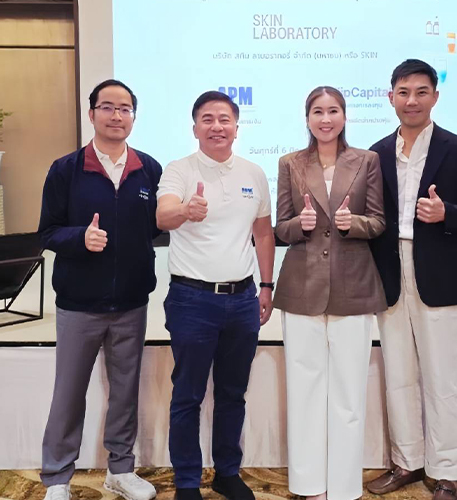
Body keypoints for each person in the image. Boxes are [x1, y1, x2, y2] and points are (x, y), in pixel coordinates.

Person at [367, 59, 457, 500]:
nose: (411, 100)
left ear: (435, 96)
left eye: (421, 92)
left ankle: (446, 471)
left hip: (436, 270)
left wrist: (445, 213)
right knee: (398, 373)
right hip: (389, 271)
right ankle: (407, 462)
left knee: (441, 378)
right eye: (403, 92)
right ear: (391, 97)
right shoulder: (376, 152)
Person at [38, 79, 161, 500]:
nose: (116, 115)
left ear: (133, 117)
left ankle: (120, 470)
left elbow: (154, 228)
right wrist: (80, 238)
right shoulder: (65, 170)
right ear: (91, 114)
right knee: (69, 394)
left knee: (125, 393)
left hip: (131, 303)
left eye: (125, 109)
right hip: (79, 305)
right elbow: (47, 232)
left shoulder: (149, 169)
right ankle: (57, 478)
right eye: (107, 107)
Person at [156, 91, 275, 500]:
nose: (216, 126)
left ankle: (227, 472)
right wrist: (185, 210)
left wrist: (266, 286)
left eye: (224, 119)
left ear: (237, 128)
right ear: (195, 128)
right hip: (192, 300)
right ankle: (187, 482)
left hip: (242, 300)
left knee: (232, 393)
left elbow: (263, 233)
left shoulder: (254, 173)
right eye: (207, 119)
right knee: (187, 395)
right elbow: (162, 215)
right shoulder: (179, 170)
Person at [274, 86, 386, 500]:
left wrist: (352, 223)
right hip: (301, 285)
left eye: (333, 110)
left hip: (353, 285)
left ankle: (343, 487)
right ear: (307, 118)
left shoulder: (367, 160)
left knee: (348, 391)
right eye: (318, 112)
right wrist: (299, 225)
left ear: (344, 116)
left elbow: (378, 221)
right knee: (304, 389)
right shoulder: (289, 163)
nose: (326, 119)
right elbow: (281, 226)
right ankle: (309, 485)